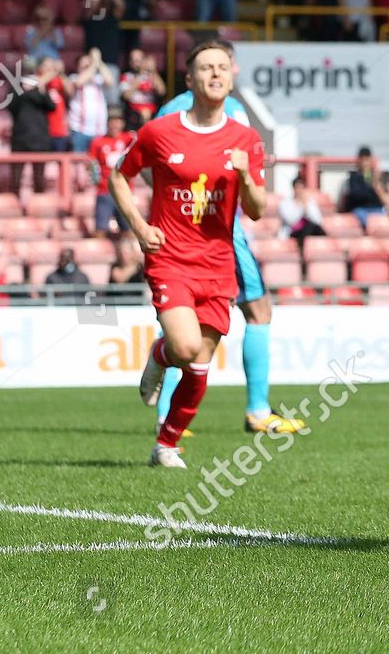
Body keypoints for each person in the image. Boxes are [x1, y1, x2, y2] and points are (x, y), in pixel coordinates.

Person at [113, 40, 268, 468]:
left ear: (232, 75)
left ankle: (166, 444)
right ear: (189, 80)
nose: (216, 74)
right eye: (206, 68)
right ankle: (161, 355)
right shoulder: (159, 132)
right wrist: (140, 227)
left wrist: (246, 176)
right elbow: (119, 176)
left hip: (219, 265)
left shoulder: (246, 140)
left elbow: (256, 210)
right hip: (171, 258)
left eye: (222, 67)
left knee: (200, 363)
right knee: (183, 346)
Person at [148, 74, 306, 439]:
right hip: (221, 231)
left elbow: (149, 171)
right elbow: (245, 171)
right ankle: (258, 411)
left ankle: (163, 414)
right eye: (217, 65)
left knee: (180, 318)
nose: (221, 73)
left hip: (178, 232)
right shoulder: (232, 111)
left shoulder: (167, 113)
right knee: (258, 310)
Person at [9, 57, 57, 195]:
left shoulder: (40, 85)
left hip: (39, 138)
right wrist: (23, 91)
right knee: (16, 177)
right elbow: (11, 107)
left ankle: (40, 205)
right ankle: (14, 205)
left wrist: (40, 89)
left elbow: (51, 107)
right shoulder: (16, 85)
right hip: (20, 137)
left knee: (39, 178)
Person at [89, 111, 135, 234]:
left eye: (118, 121)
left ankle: (128, 253)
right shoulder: (98, 142)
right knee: (100, 230)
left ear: (123, 123)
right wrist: (95, 179)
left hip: (124, 190)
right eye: (112, 121)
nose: (114, 124)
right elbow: (91, 163)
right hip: (105, 190)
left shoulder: (128, 139)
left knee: (129, 230)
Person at [338, 147, 389, 228]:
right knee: (365, 220)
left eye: (367, 160)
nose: (365, 163)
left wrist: (376, 183)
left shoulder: (376, 177)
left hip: (376, 209)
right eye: (363, 160)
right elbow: (353, 196)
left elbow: (384, 198)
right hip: (360, 209)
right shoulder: (351, 179)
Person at [278, 175, 326, 243]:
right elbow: (290, 220)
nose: (299, 190)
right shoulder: (285, 203)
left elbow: (318, 220)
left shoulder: (310, 202)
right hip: (292, 232)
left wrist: (306, 206)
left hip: (309, 231)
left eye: (301, 188)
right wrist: (301, 207)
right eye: (297, 188)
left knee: (316, 229)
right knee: (304, 230)